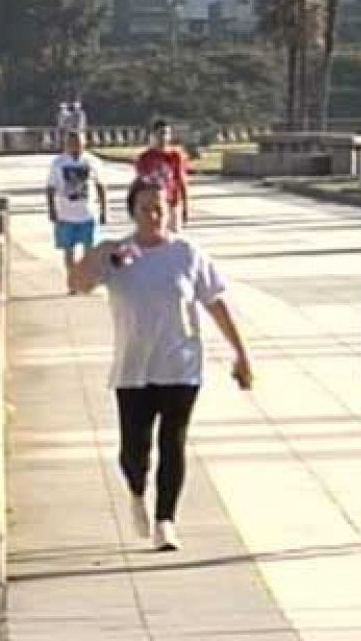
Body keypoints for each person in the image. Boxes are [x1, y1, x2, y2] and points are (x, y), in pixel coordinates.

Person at [69, 177, 254, 552]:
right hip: (133, 367)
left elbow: (215, 302)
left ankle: (165, 521)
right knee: (134, 450)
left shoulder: (187, 254)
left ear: (172, 210)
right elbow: (79, 284)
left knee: (174, 442)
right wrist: (101, 256)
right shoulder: (118, 254)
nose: (154, 216)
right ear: (132, 212)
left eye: (161, 208)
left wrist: (241, 353)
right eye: (145, 209)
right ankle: (137, 492)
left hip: (180, 364)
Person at [47, 131, 108, 286]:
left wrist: (104, 210)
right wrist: (52, 210)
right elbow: (50, 188)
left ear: (84, 143)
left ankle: (86, 280)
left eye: (78, 143)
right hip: (66, 215)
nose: (75, 147)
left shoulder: (91, 162)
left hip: (88, 214)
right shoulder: (58, 163)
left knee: (89, 252)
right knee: (69, 251)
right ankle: (73, 280)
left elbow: (101, 186)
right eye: (71, 143)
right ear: (66, 144)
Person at [134, 120, 190, 231]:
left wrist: (185, 207)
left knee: (174, 238)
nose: (163, 137)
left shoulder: (176, 156)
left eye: (166, 133)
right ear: (153, 135)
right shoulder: (145, 158)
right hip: (153, 206)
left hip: (172, 203)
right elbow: (141, 184)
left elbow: (181, 181)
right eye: (161, 133)